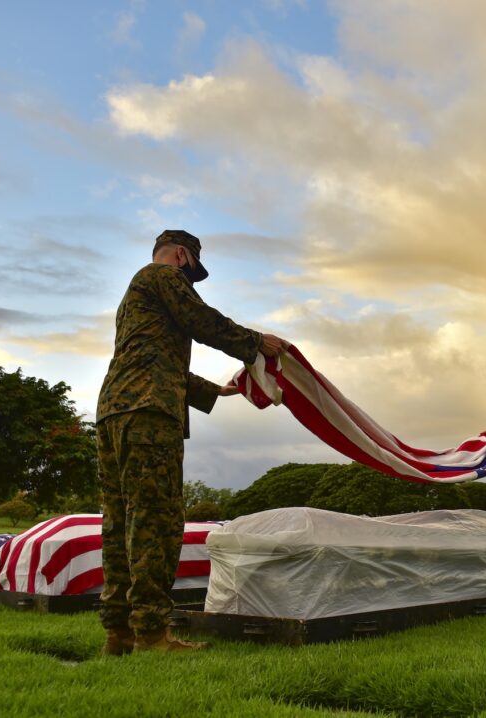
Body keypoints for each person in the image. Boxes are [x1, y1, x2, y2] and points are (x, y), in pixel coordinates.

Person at [95, 229, 287, 655]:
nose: (190, 278)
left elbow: (152, 357)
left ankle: (119, 632)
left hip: (115, 410)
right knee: (155, 521)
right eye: (191, 270)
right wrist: (255, 344)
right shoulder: (163, 277)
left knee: (120, 523)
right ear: (182, 255)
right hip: (148, 412)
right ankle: (152, 634)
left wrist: (211, 392)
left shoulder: (135, 297)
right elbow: (201, 321)